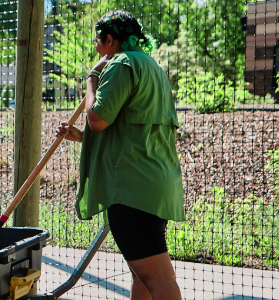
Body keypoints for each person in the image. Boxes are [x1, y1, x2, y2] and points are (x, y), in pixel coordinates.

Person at [55, 11, 184, 300]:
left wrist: (92, 78)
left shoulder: (120, 64)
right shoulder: (151, 66)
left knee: (159, 278)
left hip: (132, 189)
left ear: (110, 40)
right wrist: (82, 136)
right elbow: (130, 126)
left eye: (98, 43)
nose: (97, 50)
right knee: (143, 275)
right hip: (155, 183)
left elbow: (98, 119)